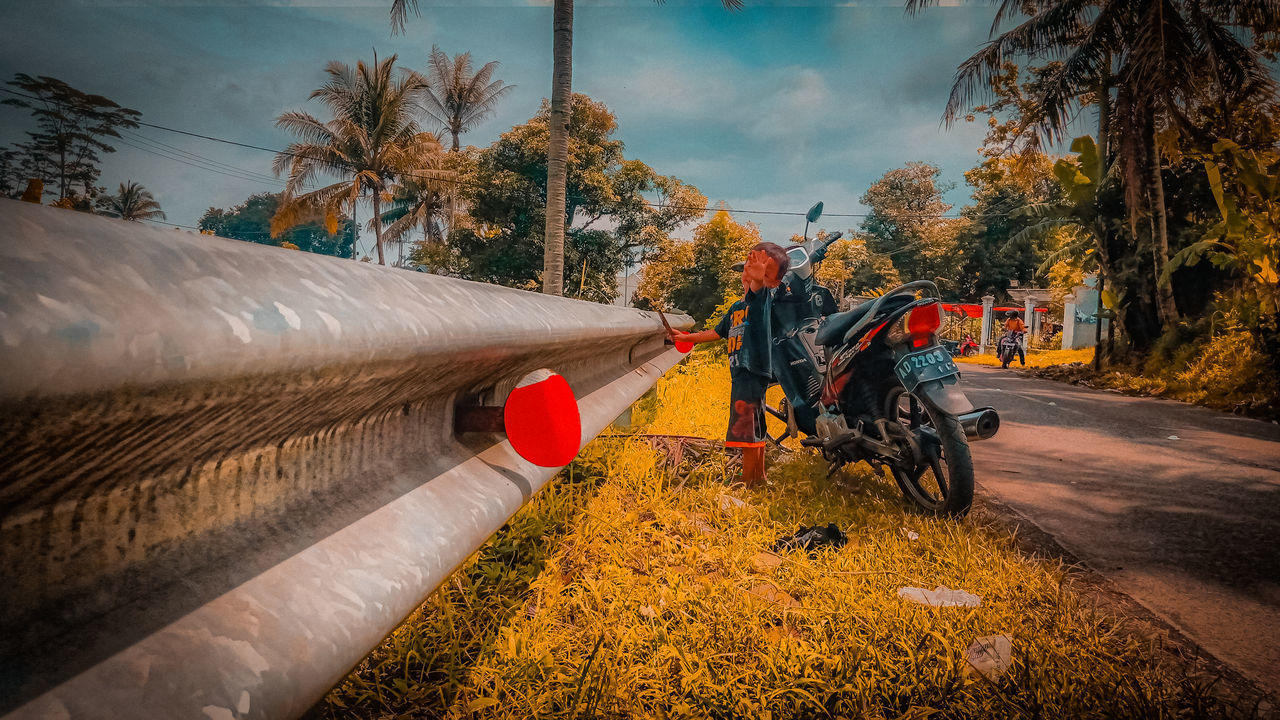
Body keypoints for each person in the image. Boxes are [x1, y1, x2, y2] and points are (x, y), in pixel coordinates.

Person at [670, 242, 790, 486]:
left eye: (765, 273)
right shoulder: (738, 307)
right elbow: (717, 332)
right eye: (751, 265)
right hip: (745, 374)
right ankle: (759, 477)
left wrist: (758, 282)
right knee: (755, 425)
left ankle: (746, 481)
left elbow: (758, 291)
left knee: (745, 428)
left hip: (750, 370)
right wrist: (687, 338)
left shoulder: (762, 300)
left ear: (774, 283)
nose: (754, 272)